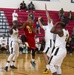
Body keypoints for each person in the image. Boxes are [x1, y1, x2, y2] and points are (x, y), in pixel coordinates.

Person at [38, 4, 54, 73]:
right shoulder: (46, 27)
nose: (49, 20)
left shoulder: (51, 25)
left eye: (50, 20)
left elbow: (48, 17)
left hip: (50, 43)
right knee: (48, 56)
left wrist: (46, 10)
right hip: (48, 43)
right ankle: (51, 67)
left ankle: (49, 68)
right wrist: (39, 20)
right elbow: (41, 26)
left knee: (44, 53)